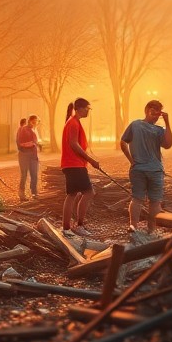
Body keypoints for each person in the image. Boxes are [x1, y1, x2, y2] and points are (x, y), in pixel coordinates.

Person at [121, 99, 172, 234]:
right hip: (151, 170)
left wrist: (167, 122)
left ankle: (140, 227)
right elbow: (123, 142)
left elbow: (168, 144)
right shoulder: (136, 125)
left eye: (158, 114)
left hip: (145, 169)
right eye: (154, 113)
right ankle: (146, 229)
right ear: (148, 110)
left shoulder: (157, 129)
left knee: (140, 199)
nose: (156, 117)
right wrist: (131, 160)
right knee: (151, 201)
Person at [61, 97, 104, 238]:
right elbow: (74, 144)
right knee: (88, 192)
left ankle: (68, 228)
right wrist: (91, 160)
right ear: (80, 108)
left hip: (73, 164)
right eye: (87, 109)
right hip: (74, 164)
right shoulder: (73, 123)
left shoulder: (74, 122)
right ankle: (77, 226)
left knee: (72, 194)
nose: (88, 111)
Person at [16, 115, 41, 200]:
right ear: (29, 121)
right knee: (24, 175)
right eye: (33, 122)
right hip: (24, 155)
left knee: (34, 175)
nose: (34, 124)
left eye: (36, 122)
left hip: (33, 156)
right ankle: (21, 194)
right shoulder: (23, 129)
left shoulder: (34, 130)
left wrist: (37, 144)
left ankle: (34, 193)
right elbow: (21, 143)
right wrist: (33, 144)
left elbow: (35, 142)